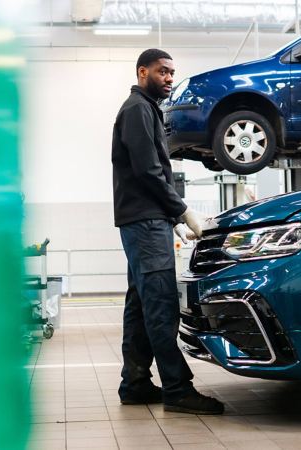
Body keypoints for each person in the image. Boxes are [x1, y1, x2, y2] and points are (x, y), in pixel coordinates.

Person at [111, 49, 225, 415]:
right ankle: (178, 388)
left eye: (172, 72)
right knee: (160, 306)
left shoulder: (146, 110)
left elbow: (150, 172)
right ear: (142, 71)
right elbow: (148, 172)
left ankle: (136, 383)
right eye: (162, 71)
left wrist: (173, 217)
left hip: (144, 220)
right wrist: (182, 210)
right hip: (145, 223)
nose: (169, 78)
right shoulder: (137, 110)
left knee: (140, 306)